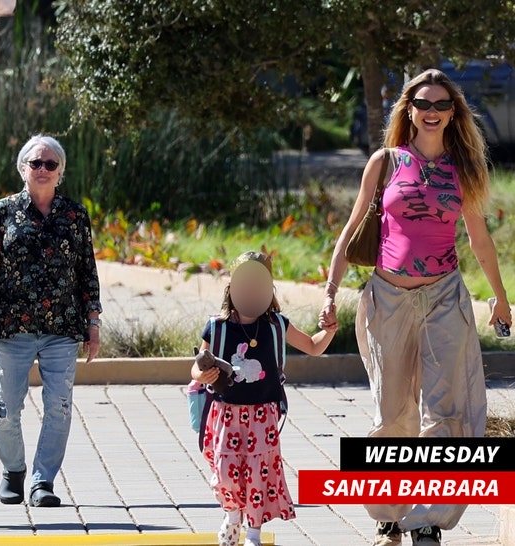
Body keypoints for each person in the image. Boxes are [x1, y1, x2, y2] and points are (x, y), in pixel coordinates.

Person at [319, 68, 511, 546]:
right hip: (387, 298)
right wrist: (329, 292)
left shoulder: (463, 168)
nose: (431, 112)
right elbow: (349, 230)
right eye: (423, 103)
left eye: (441, 105)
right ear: (409, 109)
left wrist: (502, 301)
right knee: (394, 413)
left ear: (452, 114)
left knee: (443, 413)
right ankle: (389, 514)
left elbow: (480, 241)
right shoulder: (385, 162)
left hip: (444, 297)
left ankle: (428, 521)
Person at [0, 134, 102, 508]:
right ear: (22, 169)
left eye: (50, 164)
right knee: (5, 410)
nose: (42, 170)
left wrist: (94, 323)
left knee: (59, 405)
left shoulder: (75, 215)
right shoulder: (2, 213)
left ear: (60, 172)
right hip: (11, 328)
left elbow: (86, 272)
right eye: (35, 163)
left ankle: (43, 481)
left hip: (62, 327)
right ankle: (13, 471)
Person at [192, 251, 337, 546]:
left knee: (258, 476)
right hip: (226, 413)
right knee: (224, 473)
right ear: (232, 287)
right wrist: (200, 375)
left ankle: (254, 534)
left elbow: (312, 345)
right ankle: (233, 515)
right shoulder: (217, 326)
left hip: (263, 414)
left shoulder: (276, 325)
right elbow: (196, 364)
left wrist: (330, 329)